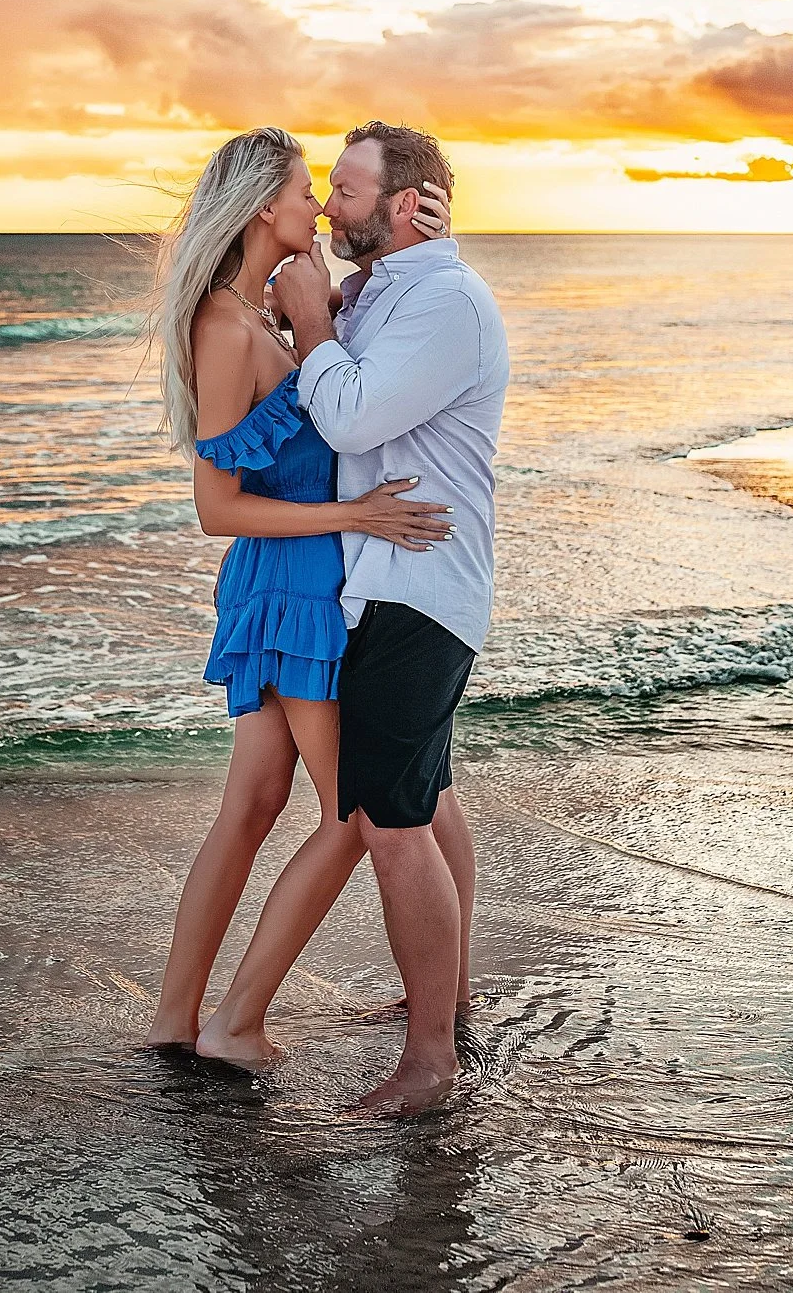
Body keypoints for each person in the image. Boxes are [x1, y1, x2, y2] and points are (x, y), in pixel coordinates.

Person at [145, 126, 453, 1057]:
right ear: (256, 210)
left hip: (294, 583)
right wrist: (352, 515)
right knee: (352, 818)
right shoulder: (226, 327)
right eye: (301, 189)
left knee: (251, 804)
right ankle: (235, 1028)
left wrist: (435, 244)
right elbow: (216, 508)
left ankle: (172, 1021)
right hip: (293, 589)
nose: (315, 205)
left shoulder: (270, 311)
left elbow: (370, 324)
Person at [272, 122, 510, 1112]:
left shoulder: (442, 299)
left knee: (388, 821)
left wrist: (314, 328)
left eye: (346, 189)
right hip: (397, 581)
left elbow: (354, 417)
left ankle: (428, 1066)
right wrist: (323, 307)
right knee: (429, 794)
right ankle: (444, 1005)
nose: (328, 205)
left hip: (416, 586)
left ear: (404, 205)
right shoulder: (392, 288)